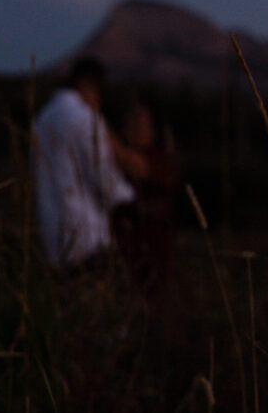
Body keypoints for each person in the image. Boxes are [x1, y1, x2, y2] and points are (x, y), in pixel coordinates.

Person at [33, 57, 136, 268]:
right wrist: (129, 196)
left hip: (52, 238)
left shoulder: (43, 117)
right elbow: (105, 178)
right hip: (88, 238)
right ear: (88, 84)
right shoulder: (85, 117)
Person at [112, 99, 180, 299]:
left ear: (152, 129)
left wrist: (99, 132)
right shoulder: (115, 166)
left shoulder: (161, 160)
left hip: (154, 256)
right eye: (128, 121)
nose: (130, 126)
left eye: (137, 121)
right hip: (125, 257)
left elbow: (138, 166)